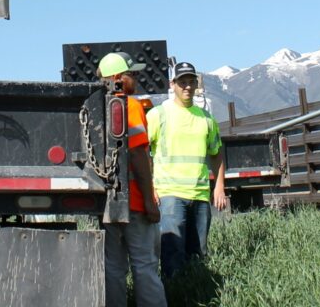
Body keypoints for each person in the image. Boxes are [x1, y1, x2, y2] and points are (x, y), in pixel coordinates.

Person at [146, 61, 228, 278]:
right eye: (182, 82)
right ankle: (174, 296)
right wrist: (150, 187)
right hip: (170, 195)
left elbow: (217, 153)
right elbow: (142, 151)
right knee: (173, 257)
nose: (187, 87)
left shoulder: (206, 119)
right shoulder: (158, 115)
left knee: (198, 255)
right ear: (172, 84)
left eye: (191, 82)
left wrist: (219, 187)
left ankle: (196, 295)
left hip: (200, 196)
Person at [98, 52, 167, 307]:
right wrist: (150, 200)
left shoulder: (95, 107)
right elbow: (138, 154)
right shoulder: (130, 105)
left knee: (113, 268)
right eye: (131, 73)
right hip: (135, 203)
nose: (136, 78)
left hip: (106, 204)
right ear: (117, 78)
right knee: (144, 265)